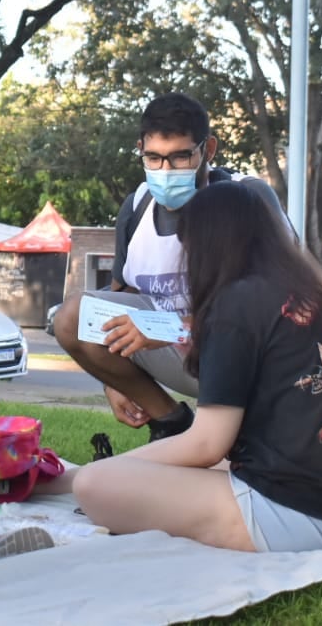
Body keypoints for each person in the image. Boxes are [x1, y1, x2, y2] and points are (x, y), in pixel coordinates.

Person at [68, 180, 322, 553]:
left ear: (206, 243)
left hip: (300, 514)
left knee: (94, 486)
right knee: (98, 477)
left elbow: (207, 444)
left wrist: (100, 472)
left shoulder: (238, 303)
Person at [53, 92, 289, 441]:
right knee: (73, 317)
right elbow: (119, 301)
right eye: (153, 158)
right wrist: (112, 380)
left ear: (207, 150)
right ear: (141, 149)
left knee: (220, 472)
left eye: (180, 157)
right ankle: (171, 423)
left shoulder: (247, 199)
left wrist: (174, 328)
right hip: (180, 353)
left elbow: (281, 305)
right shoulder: (138, 205)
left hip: (250, 359)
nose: (165, 171)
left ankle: (239, 437)